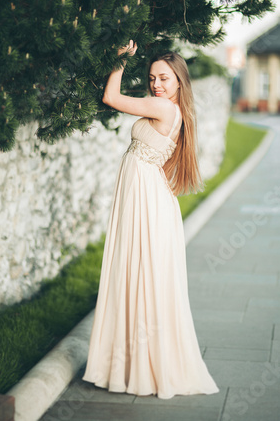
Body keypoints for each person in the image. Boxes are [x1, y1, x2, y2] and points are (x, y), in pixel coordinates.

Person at [82, 40, 219, 399]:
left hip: (146, 199)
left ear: (178, 82)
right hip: (149, 197)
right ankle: (137, 363)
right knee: (145, 276)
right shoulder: (174, 110)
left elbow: (111, 97)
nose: (156, 84)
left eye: (164, 78)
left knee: (138, 273)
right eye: (153, 77)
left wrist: (119, 58)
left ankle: (137, 366)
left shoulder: (161, 107)